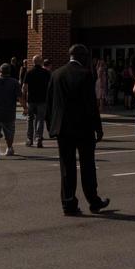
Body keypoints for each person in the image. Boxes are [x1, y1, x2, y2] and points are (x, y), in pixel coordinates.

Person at [47, 44, 109, 216]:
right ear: (81, 56)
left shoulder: (56, 74)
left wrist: (51, 126)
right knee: (87, 165)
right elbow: (91, 104)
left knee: (67, 167)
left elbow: (50, 103)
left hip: (63, 128)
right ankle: (93, 201)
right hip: (83, 127)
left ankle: (68, 203)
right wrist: (98, 128)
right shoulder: (86, 74)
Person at [22, 55, 51, 148]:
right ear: (41, 62)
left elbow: (24, 87)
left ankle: (29, 139)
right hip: (42, 99)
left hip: (31, 99)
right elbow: (50, 86)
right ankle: (38, 138)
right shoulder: (46, 73)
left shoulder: (29, 72)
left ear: (33, 62)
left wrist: (24, 98)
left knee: (30, 119)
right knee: (40, 119)